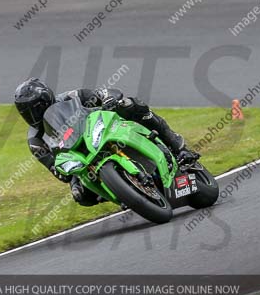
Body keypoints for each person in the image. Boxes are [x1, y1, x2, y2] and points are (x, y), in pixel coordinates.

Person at [14, 78, 199, 206]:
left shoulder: (72, 96)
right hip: (80, 157)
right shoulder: (35, 140)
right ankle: (123, 192)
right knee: (80, 194)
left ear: (46, 98)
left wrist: (109, 98)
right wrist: (62, 170)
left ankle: (177, 145)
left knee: (130, 104)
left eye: (35, 109)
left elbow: (102, 93)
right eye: (26, 112)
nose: (33, 116)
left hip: (101, 129)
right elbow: (56, 170)